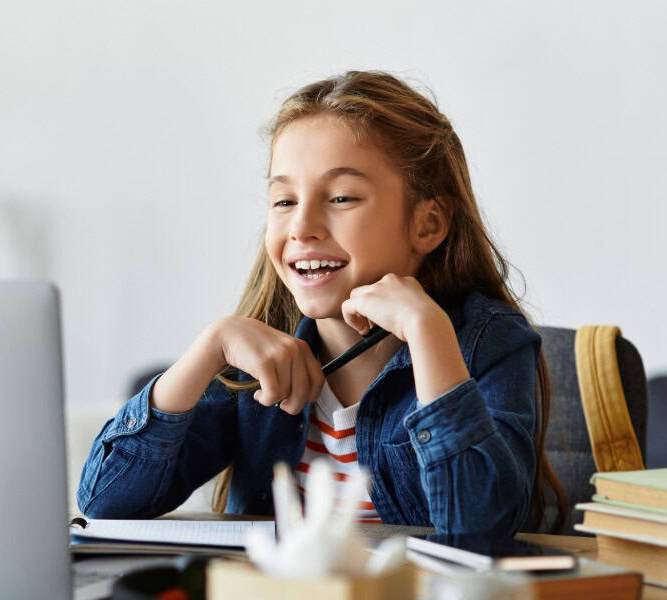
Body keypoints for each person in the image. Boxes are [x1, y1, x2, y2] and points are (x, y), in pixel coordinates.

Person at [77, 71, 567, 537]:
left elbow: (482, 530)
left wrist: (427, 332)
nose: (302, 227)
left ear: (428, 224)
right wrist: (209, 347)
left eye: (341, 198)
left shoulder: (488, 342)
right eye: (285, 201)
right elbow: (104, 502)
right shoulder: (256, 355)